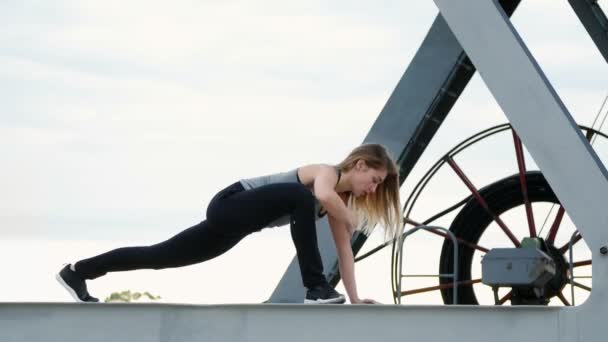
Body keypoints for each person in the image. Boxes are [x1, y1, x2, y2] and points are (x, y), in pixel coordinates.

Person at [56, 143, 403, 304]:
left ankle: (79, 271)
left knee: (159, 256)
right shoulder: (326, 174)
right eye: (374, 179)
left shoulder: (336, 205)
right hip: (230, 203)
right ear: (358, 165)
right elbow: (324, 195)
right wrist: (351, 216)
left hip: (236, 226)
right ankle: (315, 288)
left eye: (378, 185)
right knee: (302, 196)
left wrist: (355, 299)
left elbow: (344, 251)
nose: (373, 189)